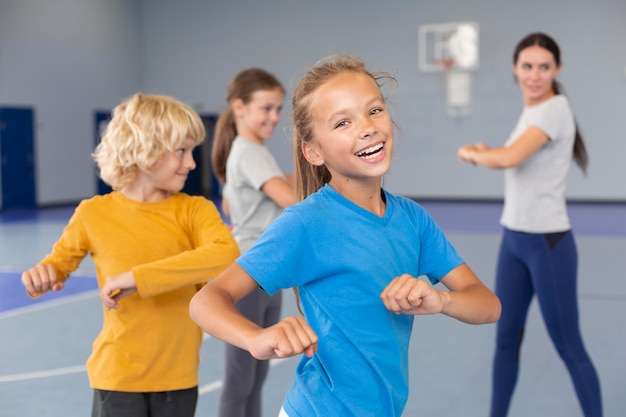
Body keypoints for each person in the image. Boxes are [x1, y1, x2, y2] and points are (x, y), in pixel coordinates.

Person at [190, 54, 501, 417]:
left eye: (374, 111)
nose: (367, 127)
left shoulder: (413, 220)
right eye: (342, 122)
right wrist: (254, 337)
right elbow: (206, 300)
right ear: (314, 151)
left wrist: (441, 301)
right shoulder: (306, 224)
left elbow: (488, 305)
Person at [21, 93, 240, 417]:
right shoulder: (93, 213)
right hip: (117, 376)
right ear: (143, 150)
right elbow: (57, 265)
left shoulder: (195, 210)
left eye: (192, 151)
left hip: (177, 377)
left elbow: (225, 255)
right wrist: (42, 274)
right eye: (181, 150)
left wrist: (139, 278)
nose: (192, 163)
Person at [457, 32, 602, 417]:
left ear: (557, 70)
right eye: (527, 66)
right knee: (505, 338)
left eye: (544, 67)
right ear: (514, 68)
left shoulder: (554, 108)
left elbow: (510, 160)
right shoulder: (532, 111)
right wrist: (490, 151)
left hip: (547, 244)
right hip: (514, 240)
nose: (534, 75)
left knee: (569, 345)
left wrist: (473, 153)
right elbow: (515, 158)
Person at [210, 68, 297, 417]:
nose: (274, 117)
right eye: (266, 108)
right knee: (241, 378)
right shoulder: (249, 152)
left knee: (256, 373)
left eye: (278, 109)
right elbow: (291, 200)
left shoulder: (250, 151)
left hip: (266, 274)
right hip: (251, 273)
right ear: (240, 107)